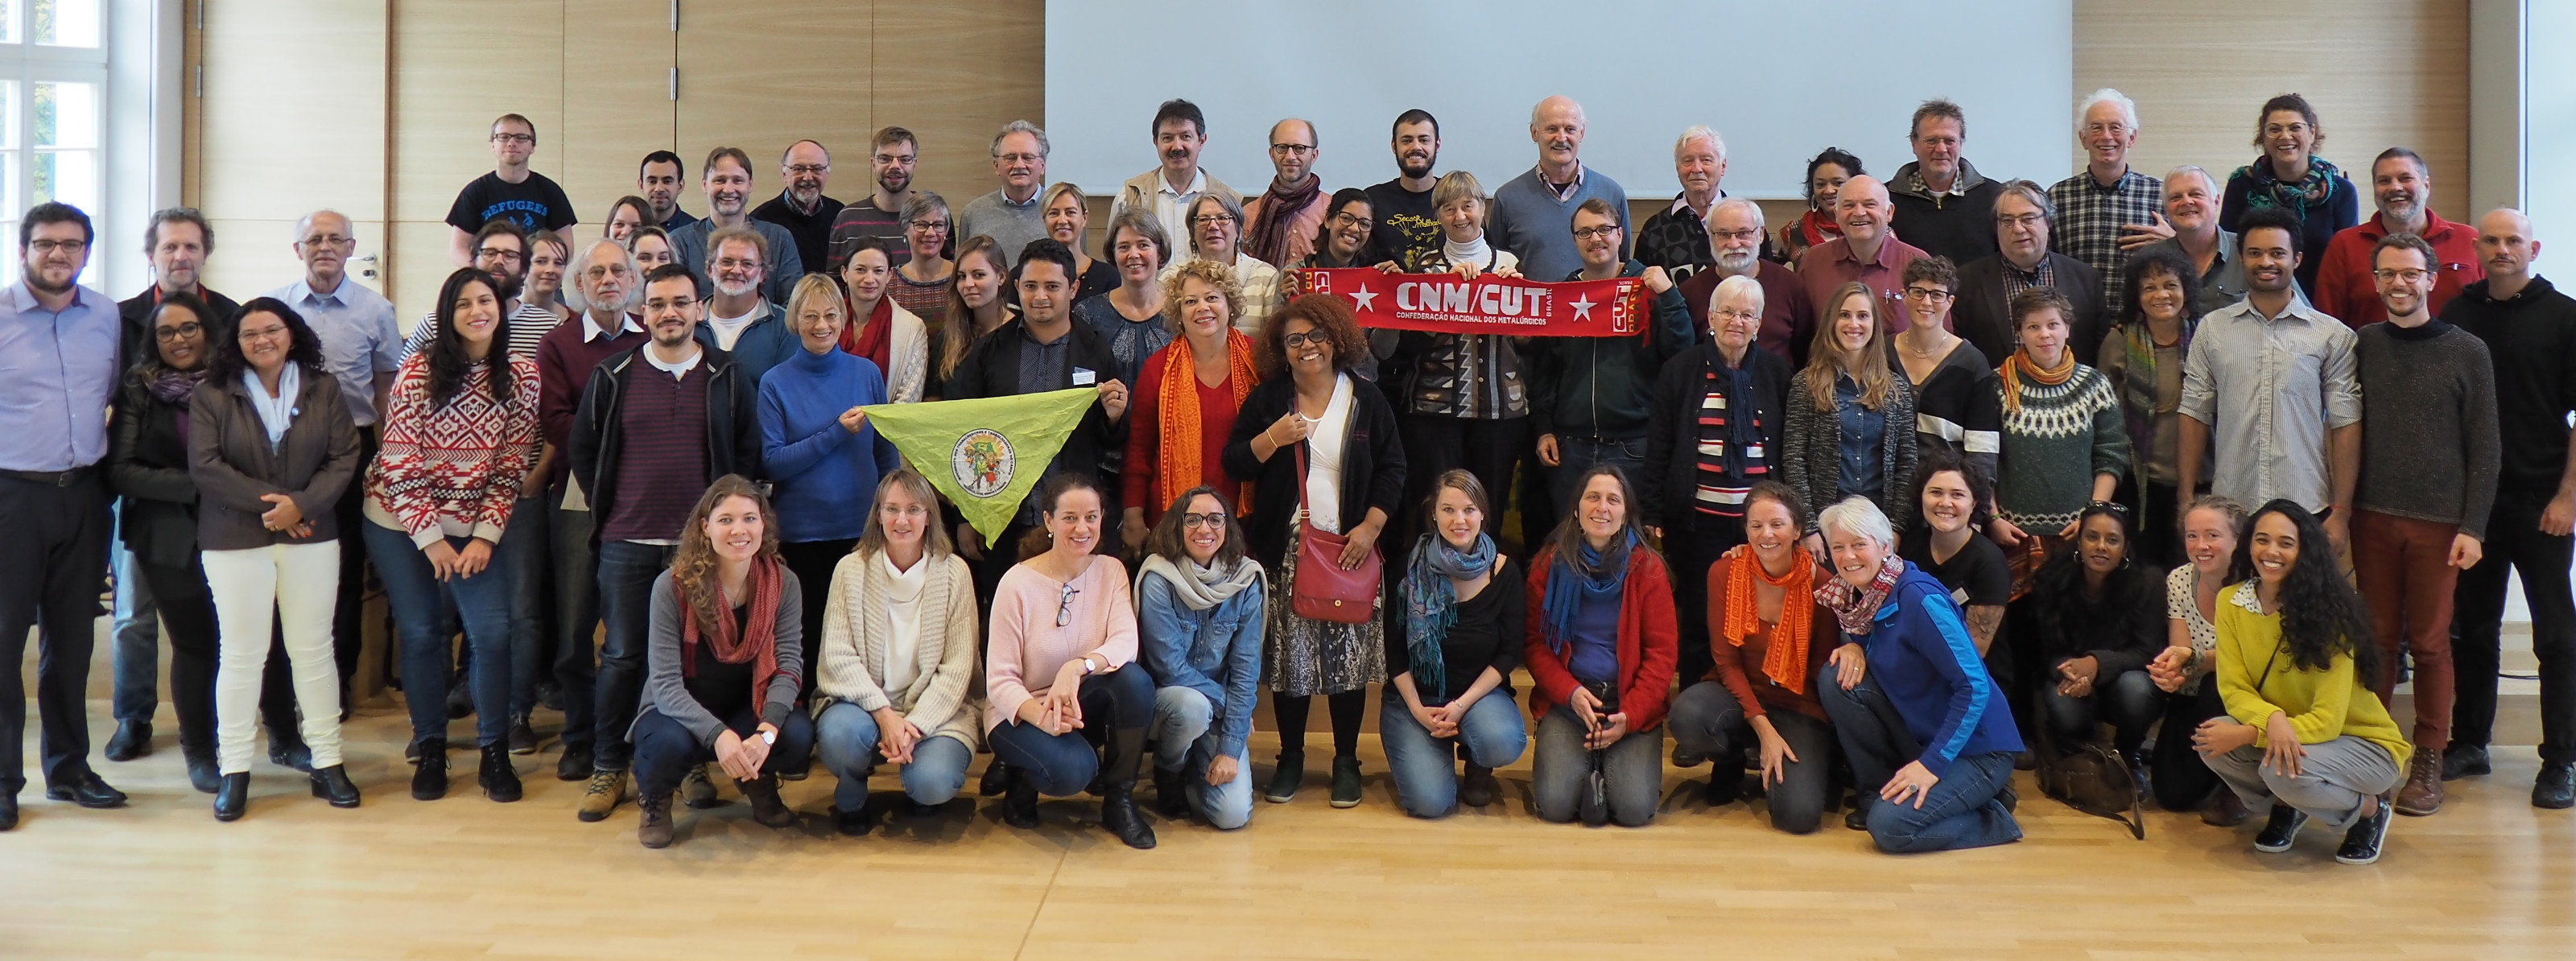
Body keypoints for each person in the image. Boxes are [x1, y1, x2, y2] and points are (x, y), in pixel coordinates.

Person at [566, 263, 764, 823]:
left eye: (680, 303)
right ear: (642, 310)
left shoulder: (727, 375)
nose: (669, 313)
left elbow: (746, 457)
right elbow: (584, 450)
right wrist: (614, 509)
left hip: (702, 551)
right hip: (627, 541)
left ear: (699, 309)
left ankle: (693, 764)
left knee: (694, 662)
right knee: (624, 656)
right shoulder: (613, 376)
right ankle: (609, 766)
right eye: (657, 304)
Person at [363, 266, 543, 802]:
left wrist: (484, 537)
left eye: (484, 300)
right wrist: (431, 539)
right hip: (399, 519)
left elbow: (512, 464)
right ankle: (432, 746)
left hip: (475, 521)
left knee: (492, 634)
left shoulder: (523, 376)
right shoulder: (418, 370)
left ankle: (494, 751)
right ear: (447, 314)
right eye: (462, 304)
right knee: (422, 633)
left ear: (501, 307)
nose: (475, 312)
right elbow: (399, 459)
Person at [1223, 295, 1406, 808]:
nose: (1307, 347)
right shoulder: (1268, 400)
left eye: (1317, 336)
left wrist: (1371, 527)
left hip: (1351, 548)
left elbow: (1394, 468)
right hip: (1286, 551)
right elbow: (1235, 462)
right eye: (1294, 339)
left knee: (1347, 659)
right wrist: (1272, 439)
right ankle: (1291, 757)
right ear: (1281, 349)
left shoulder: (1367, 398)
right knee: (1289, 661)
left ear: (1336, 338)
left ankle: (1346, 760)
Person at [191, 297, 363, 822]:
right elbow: (206, 466)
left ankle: (329, 762)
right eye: (250, 334)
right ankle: (236, 770)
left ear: (291, 334)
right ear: (235, 342)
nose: (262, 340)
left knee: (312, 650)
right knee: (243, 654)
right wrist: (279, 508)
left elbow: (344, 457)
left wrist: (302, 506)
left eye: (272, 330)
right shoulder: (212, 393)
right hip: (233, 538)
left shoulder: (323, 387)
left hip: (312, 534)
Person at [2353, 230, 2498, 815]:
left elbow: (2485, 447)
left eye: (2411, 273)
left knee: (2433, 642)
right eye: (2388, 274)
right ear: (2377, 281)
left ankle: (2429, 756)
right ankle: (2376, 751)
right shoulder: (2362, 343)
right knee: (2379, 640)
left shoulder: (2468, 351)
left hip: (2441, 523)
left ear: (2432, 279)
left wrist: (2474, 526)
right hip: (2373, 516)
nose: (2399, 284)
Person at [2442, 208, 2576, 807]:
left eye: (2512, 241)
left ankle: (2561, 761)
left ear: (2534, 248)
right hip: (2475, 504)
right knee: (2473, 629)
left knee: (2557, 637)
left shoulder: (2565, 316)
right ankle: (2470, 742)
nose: (2501, 249)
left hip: (2541, 500)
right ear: (2476, 247)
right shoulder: (2459, 314)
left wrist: (2569, 496)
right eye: (2491, 240)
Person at [0, 203, 125, 827]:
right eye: (46, 243)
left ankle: (70, 769)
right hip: (11, 498)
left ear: (86, 252)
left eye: (72, 245)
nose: (59, 254)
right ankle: (1, 782)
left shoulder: (105, 316)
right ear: (24, 249)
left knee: (71, 642)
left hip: (83, 496)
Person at [2194, 501, 2404, 865]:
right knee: (2213, 739)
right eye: (2262, 540)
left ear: (2305, 551)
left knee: (2280, 768)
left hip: (2362, 745)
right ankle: (2288, 804)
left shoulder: (2331, 614)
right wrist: (2272, 720)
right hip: (2289, 735)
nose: (2271, 552)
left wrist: (2250, 733)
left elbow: (2327, 722)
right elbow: (2234, 689)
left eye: (2286, 543)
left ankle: (2369, 810)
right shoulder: (2232, 601)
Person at [107, 208, 243, 764]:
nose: (180, 257)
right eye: (170, 248)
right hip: (150, 495)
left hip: (223, 509)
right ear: (152, 256)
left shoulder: (234, 316)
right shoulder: (119, 319)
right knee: (133, 614)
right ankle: (133, 717)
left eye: (190, 247)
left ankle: (215, 730)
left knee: (211, 621)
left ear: (204, 253)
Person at [1813, 496, 2025, 852]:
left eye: (1859, 545)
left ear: (1884, 546)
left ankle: (1994, 815)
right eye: (1839, 547)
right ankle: (1882, 793)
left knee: (1889, 830)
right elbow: (1879, 642)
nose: (1848, 557)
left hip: (1978, 748)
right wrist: (1852, 644)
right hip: (1924, 733)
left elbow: (1973, 687)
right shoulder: (1858, 599)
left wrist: (1932, 765)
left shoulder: (1920, 600)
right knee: (1837, 678)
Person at [627, 477, 814, 848]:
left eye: (749, 518)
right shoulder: (672, 587)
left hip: (747, 705)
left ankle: (756, 780)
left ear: (764, 524)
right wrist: (719, 735)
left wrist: (765, 733)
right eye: (726, 520)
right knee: (666, 745)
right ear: (705, 527)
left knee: (795, 734)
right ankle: (656, 797)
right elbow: (664, 686)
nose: (739, 530)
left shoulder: (783, 583)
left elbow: (789, 667)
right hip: (680, 711)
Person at [269, 209, 402, 716]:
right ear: (297, 249)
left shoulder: (377, 310)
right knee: (284, 566)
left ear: (351, 248)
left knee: (342, 569)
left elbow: (388, 387)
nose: (325, 247)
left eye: (335, 239)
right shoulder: (275, 307)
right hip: (283, 454)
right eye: (314, 239)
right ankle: (281, 686)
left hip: (353, 452)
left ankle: (337, 680)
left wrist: (389, 456)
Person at [947, 239, 1131, 595]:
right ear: (1016, 286)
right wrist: (965, 517)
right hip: (1004, 521)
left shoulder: (1096, 351)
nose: (1040, 296)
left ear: (1073, 288)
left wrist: (1114, 418)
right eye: (1030, 286)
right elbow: (966, 435)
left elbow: (1110, 443)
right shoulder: (991, 350)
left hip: (1074, 524)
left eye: (1052, 286)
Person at [984, 473, 1158, 849]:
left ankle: (1119, 803)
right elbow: (999, 682)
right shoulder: (1016, 583)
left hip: (1076, 699)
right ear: (1048, 521)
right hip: (1020, 713)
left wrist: (1076, 667)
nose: (1082, 528)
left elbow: (1126, 642)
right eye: (1070, 518)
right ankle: (1022, 778)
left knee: (1135, 683)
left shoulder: (1110, 571)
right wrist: (1044, 717)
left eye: (1092, 517)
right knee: (1075, 772)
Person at [2178, 206, 2361, 551]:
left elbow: (2346, 422)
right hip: (2230, 509)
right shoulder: (2212, 330)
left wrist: (2341, 511)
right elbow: (2194, 412)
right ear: (2241, 259)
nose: (2266, 262)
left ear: (2297, 259)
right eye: (2255, 253)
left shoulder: (2332, 335)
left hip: (2307, 505)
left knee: (2301, 604)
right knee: (2231, 601)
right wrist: (2186, 497)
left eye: (2278, 253)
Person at [811, 468, 983, 836]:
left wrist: (915, 725)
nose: (901, 520)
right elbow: (837, 658)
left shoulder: (955, 573)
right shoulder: (850, 569)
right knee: (842, 735)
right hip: (864, 707)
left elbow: (957, 668)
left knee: (932, 783)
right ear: (878, 515)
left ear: (929, 516)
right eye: (891, 509)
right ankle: (853, 785)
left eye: (914, 509)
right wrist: (886, 715)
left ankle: (919, 784)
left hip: (937, 711)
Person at [1645, 273, 1794, 685]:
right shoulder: (1681, 370)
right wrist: (1653, 509)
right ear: (1711, 316)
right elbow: (1659, 444)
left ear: (1759, 324)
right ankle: (1697, 702)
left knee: (1758, 615)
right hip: (1697, 523)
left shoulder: (1777, 374)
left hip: (1760, 528)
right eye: (1728, 311)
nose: (1737, 321)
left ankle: (1753, 704)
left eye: (1748, 314)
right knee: (1698, 613)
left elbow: (1785, 447)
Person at [535, 238, 648, 780]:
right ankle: (579, 736)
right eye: (596, 272)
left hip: (642, 494)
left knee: (637, 630)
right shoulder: (558, 345)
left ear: (634, 282)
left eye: (619, 271)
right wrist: (618, 446)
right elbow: (557, 421)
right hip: (581, 490)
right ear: (578, 284)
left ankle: (633, 733)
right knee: (577, 623)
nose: (608, 280)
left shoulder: (651, 338)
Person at [1667, 481, 1836, 831]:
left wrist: (1800, 732)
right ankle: (1730, 758)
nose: (1766, 534)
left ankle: (1802, 765)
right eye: (1756, 525)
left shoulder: (1823, 584)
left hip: (1797, 703)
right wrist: (1764, 729)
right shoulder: (1725, 573)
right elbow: (1725, 661)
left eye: (1777, 524)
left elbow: (1820, 671)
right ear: (1745, 530)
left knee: (1799, 818)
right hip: (1737, 691)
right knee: (1688, 715)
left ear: (1798, 530)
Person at [1524, 466, 1678, 827]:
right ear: (1577, 509)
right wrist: (1571, 693)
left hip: (1628, 706)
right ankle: (1588, 765)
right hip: (1570, 703)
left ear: (1626, 513)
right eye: (1593, 497)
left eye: (1613, 499)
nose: (1602, 507)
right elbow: (1534, 645)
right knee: (1555, 807)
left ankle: (1605, 765)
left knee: (1634, 811)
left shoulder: (1648, 569)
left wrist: (1632, 715)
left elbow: (1662, 656)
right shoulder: (1550, 563)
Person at [760, 273, 901, 653]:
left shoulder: (867, 373)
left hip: (860, 530)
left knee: (862, 636)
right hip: (801, 535)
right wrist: (835, 433)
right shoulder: (775, 383)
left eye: (830, 315)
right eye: (810, 316)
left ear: (842, 318)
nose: (821, 325)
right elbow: (773, 463)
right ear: (795, 321)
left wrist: (890, 516)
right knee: (807, 636)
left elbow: (885, 454)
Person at [1388, 170, 1529, 547]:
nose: (1460, 216)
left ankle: (1482, 587)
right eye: (1449, 208)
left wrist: (1514, 298)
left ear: (1482, 208)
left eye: (1468, 205)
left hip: (1500, 412)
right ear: (1438, 216)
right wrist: (1447, 293)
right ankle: (1432, 591)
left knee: (1490, 506)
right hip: (1435, 413)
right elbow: (1411, 344)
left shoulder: (1510, 264)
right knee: (1437, 506)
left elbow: (1529, 340)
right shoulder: (1424, 267)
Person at [1531, 197, 1693, 513]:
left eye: (1604, 229)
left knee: (1630, 544)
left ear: (1621, 234)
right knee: (1571, 539)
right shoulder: (1563, 296)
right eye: (1585, 232)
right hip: (1571, 447)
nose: (1595, 239)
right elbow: (1545, 372)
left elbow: (1681, 352)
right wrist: (1543, 429)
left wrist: (1670, 296)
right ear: (1575, 240)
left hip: (1634, 446)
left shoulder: (1648, 288)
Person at [1380, 470, 1525, 818]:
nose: (1459, 520)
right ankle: (1435, 744)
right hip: (1416, 700)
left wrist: (1460, 707)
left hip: (1478, 697)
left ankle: (1476, 758)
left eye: (1469, 510)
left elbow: (1509, 653)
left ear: (1483, 515)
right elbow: (1395, 652)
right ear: (1433, 514)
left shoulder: (1505, 571)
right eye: (1448, 510)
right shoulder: (1407, 566)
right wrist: (1418, 710)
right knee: (1431, 804)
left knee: (1501, 742)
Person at [1137, 487, 1266, 830]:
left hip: (1220, 708)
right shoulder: (1158, 578)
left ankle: (1199, 764)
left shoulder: (1246, 580)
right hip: (1168, 702)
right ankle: (1169, 771)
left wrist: (1231, 744)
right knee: (1192, 706)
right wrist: (1229, 706)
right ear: (1177, 526)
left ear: (1228, 527)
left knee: (1232, 816)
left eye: (1215, 519)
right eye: (1192, 519)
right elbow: (1170, 669)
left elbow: (1246, 667)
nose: (1204, 529)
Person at [1990, 287, 2128, 592]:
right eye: (2033, 327)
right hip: (2013, 535)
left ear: (2067, 328)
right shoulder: (1997, 385)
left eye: (2053, 325)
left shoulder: (2094, 385)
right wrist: (1994, 518)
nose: (2044, 335)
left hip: (2076, 533)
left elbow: (2112, 454)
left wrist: (2093, 515)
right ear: (2020, 333)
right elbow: (1981, 459)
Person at [1120, 259, 1259, 550]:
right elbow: (1139, 449)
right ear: (1179, 313)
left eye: (1212, 298)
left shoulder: (1258, 361)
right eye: (1190, 301)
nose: (1202, 308)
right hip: (1173, 522)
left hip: (1245, 519)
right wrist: (1133, 516)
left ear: (1229, 305)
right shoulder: (1157, 369)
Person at [2024, 502, 2165, 763]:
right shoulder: (2054, 577)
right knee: (2063, 703)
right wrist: (2071, 671)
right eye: (2092, 537)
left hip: (2124, 681)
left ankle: (2128, 754)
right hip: (2072, 677)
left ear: (2125, 548)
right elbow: (2042, 651)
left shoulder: (2149, 582)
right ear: (2079, 542)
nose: (2101, 546)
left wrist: (2096, 664)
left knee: (2137, 690)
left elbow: (2147, 652)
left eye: (2112, 540)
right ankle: (2082, 758)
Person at [1783, 282, 1920, 539]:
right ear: (1831, 322)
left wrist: (1897, 527)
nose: (1853, 324)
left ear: (1874, 324)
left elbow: (1907, 464)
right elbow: (1794, 460)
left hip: (1879, 525)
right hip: (1826, 526)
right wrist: (1809, 528)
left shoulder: (1895, 389)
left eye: (1862, 316)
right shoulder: (1807, 384)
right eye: (1844, 315)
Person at [2145, 495, 2252, 823]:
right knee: (2172, 796)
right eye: (2192, 535)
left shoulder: (2254, 586)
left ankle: (2238, 786)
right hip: (2191, 698)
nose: (2201, 545)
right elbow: (2183, 654)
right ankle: (2211, 772)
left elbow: (2248, 663)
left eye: (2212, 535)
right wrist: (2170, 672)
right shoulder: (2179, 579)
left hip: (2243, 702)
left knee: (2214, 686)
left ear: (2238, 540)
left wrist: (2193, 661)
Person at [2097, 247, 2207, 567]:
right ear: (2137, 296)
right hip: (2139, 485)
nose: (2161, 294)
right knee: (2143, 576)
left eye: (2171, 285)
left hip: (2203, 482)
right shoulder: (2118, 343)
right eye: (2150, 287)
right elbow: (2105, 421)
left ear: (2186, 290)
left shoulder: (2206, 337)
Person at [2313, 148, 2480, 328]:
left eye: (2405, 178)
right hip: (2371, 355)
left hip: (2458, 354)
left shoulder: (2468, 240)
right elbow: (2326, 326)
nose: (2395, 187)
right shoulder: (2345, 245)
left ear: (2426, 185)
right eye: (2384, 181)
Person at [2220, 93, 2362, 298]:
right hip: (2255, 303)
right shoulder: (2242, 184)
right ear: (2263, 136)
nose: (2285, 136)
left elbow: (2348, 262)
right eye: (2275, 129)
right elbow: (2229, 250)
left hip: (2321, 308)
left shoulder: (2341, 192)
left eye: (2295, 128)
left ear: (2312, 132)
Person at [1954, 181, 2110, 365]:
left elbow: (2100, 351)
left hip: (2073, 391)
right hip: (1994, 391)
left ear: (2048, 222)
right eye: (2008, 221)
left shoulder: (2086, 279)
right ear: (1997, 227)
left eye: (2028, 219)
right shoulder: (1966, 282)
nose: (2018, 229)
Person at [2047, 89, 2166, 316]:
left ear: (2132, 137)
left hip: (2140, 325)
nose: (2106, 136)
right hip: (2075, 327)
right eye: (2096, 128)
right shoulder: (2056, 197)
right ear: (2083, 139)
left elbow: (2185, 265)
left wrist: (2172, 242)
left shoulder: (2160, 194)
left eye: (2116, 127)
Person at [1489, 96, 1628, 283]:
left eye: (1570, 129)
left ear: (1582, 133)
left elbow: (1624, 265)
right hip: (1533, 310)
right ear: (1534, 132)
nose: (1561, 138)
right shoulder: (1507, 198)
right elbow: (1498, 268)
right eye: (1552, 129)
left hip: (1597, 310)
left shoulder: (1612, 193)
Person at [1891, 256, 1999, 486]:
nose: (1926, 302)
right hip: (1886, 490)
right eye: (1918, 292)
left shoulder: (1972, 362)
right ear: (1904, 296)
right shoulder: (1880, 354)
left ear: (1950, 302)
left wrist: (1977, 512)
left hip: (1947, 494)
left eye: (1937, 295)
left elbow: (1983, 448)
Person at [1898, 452, 2011, 665]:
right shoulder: (1910, 546)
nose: (1945, 503)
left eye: (1957, 495)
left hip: (1972, 679)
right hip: (1914, 662)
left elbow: (1975, 649)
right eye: (1936, 492)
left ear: (1974, 503)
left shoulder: (1990, 563)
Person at [1678, 197, 1813, 366]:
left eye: (1743, 233)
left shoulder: (1791, 286)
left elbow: (1805, 350)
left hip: (1779, 390)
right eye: (1723, 234)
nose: (1734, 244)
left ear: (1761, 234)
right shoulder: (1690, 292)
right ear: (1710, 236)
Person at [667, 146, 805, 305]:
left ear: (750, 185)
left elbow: (794, 306)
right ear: (705, 185)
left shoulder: (779, 239)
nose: (728, 189)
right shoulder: (679, 242)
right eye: (720, 180)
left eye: (738, 181)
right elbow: (674, 304)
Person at [1109, 99, 1240, 261]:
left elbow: (1236, 260)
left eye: (1186, 137)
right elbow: (1115, 258)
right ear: (1155, 142)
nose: (1177, 146)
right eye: (1167, 138)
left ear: (1201, 141)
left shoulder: (1228, 199)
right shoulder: (1129, 196)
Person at [446, 113, 576, 266]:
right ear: (493, 145)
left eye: (521, 137)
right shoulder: (475, 192)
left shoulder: (550, 191)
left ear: (532, 146)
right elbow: (458, 250)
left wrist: (541, 270)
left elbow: (566, 249)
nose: (512, 143)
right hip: (491, 280)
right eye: (503, 136)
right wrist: (485, 273)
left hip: (537, 280)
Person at [1797, 175, 1925, 331]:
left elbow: (1938, 338)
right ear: (1837, 214)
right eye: (1849, 205)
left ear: (1889, 212)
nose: (1859, 212)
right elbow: (1801, 334)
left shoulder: (1918, 264)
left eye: (1869, 204)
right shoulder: (1813, 262)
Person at [1888, 99, 2004, 267]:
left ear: (1961, 144)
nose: (1941, 149)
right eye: (1931, 141)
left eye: (1949, 141)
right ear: (1914, 144)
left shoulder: (1995, 198)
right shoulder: (1887, 201)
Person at [1073, 210, 1173, 390]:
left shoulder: (1181, 310)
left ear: (1160, 253)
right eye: (1124, 247)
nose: (1133, 254)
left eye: (1143, 245)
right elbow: (1080, 381)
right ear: (1113, 255)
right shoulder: (1088, 314)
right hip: (1106, 417)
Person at [1160, 192, 1282, 336]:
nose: (1213, 226)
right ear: (1192, 232)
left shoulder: (1266, 276)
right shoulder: (1172, 277)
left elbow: (1272, 341)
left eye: (1223, 218)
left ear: (1238, 229)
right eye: (1204, 219)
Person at [688, 225, 798, 383]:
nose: (736, 270)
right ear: (710, 269)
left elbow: (788, 391)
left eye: (747, 264)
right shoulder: (689, 322)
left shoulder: (786, 326)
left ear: (762, 274)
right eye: (727, 261)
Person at [2142, 167, 2250, 316]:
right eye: (2176, 197)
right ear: (2167, 210)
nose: (2186, 201)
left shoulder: (2250, 250)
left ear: (2216, 202)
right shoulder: (2149, 260)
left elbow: (2290, 310)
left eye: (2196, 194)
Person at [834, 237, 931, 403]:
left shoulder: (911, 328)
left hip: (887, 426)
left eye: (878, 271)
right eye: (861, 270)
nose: (870, 279)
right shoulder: (827, 322)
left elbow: (908, 400)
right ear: (844, 273)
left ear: (889, 275)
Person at [1635, 126, 1734, 281]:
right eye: (1688, 161)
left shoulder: (1746, 224)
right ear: (1677, 168)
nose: (1697, 169)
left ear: (1723, 167)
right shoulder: (1655, 229)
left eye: (1706, 160)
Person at [957, 122, 1053, 272]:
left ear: (1042, 166)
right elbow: (963, 272)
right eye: (1010, 157)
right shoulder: (974, 213)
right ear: (996, 166)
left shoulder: (1061, 211)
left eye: (1028, 157)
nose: (1019, 165)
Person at [827, 126, 921, 269]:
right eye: (885, 159)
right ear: (873, 163)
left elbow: (948, 275)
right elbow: (836, 283)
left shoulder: (932, 216)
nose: (895, 166)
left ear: (914, 164)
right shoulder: (848, 219)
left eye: (905, 159)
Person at [928, 235, 1009, 397]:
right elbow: (933, 397)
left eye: (979, 275)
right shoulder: (948, 338)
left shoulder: (1021, 333)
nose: (968, 284)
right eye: (962, 276)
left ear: (1001, 277)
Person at [1364, 109, 1443, 270]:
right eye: (1407, 141)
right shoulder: (1372, 200)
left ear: (1437, 145)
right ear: (1394, 146)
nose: (1416, 147)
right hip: (1386, 293)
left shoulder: (1457, 198)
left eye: (1424, 140)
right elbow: (1356, 262)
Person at [1242, 118, 1327, 268]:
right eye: (1282, 148)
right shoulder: (1249, 215)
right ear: (1272, 154)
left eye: (1299, 148)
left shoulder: (1331, 213)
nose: (1290, 156)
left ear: (1314, 155)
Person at [749, 139, 843, 274]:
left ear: (827, 173)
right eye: (799, 169)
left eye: (817, 169)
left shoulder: (840, 215)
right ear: (784, 173)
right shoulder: (761, 222)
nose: (808, 177)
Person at [1778, 147, 1863, 265]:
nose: (1828, 191)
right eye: (1820, 184)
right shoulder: (1794, 231)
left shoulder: (1873, 229)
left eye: (1838, 183)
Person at [890, 191, 957, 332]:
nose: (930, 233)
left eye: (938, 225)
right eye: (921, 224)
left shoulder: (961, 277)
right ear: (904, 229)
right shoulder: (889, 283)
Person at [1041, 182, 1117, 302]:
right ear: (1044, 219)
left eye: (1070, 212)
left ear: (1084, 218)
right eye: (1054, 213)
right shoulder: (1027, 275)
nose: (1062, 220)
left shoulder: (1108, 277)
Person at [638, 150, 696, 229]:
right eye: (652, 181)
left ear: (680, 186)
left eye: (667, 181)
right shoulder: (629, 229)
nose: (659, 189)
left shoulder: (695, 232)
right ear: (641, 185)